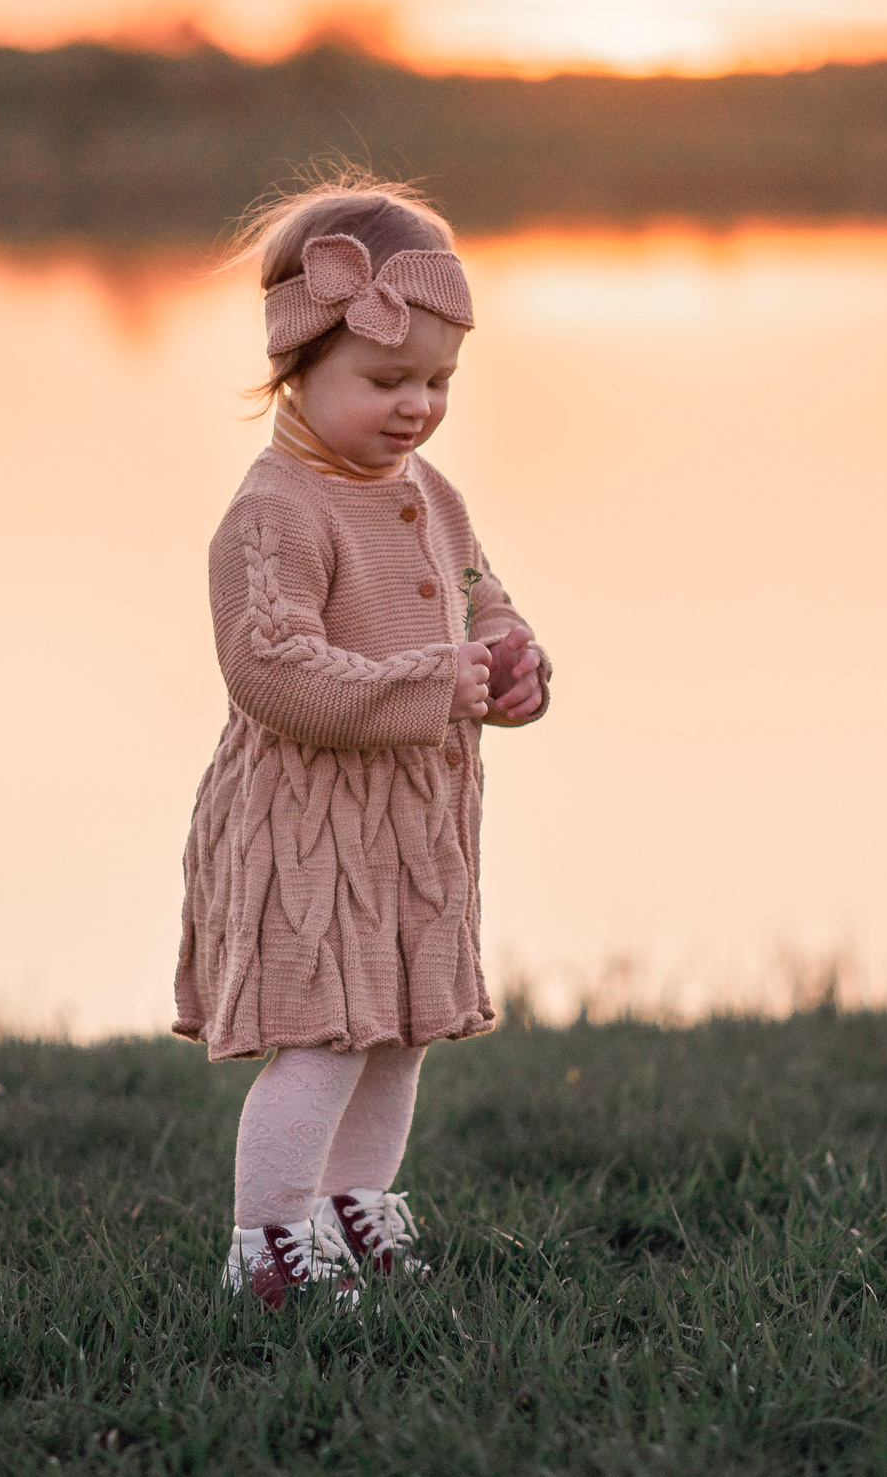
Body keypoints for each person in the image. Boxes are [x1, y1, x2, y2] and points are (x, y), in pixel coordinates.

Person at [173, 172, 552, 1310]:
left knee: (399, 1032)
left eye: (438, 380)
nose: (419, 405)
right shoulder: (275, 512)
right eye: (387, 379)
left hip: (414, 823)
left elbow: (478, 590)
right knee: (325, 1033)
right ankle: (271, 1243)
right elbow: (272, 669)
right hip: (310, 826)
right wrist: (433, 682)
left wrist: (511, 650)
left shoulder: (426, 488)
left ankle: (353, 1207)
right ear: (297, 366)